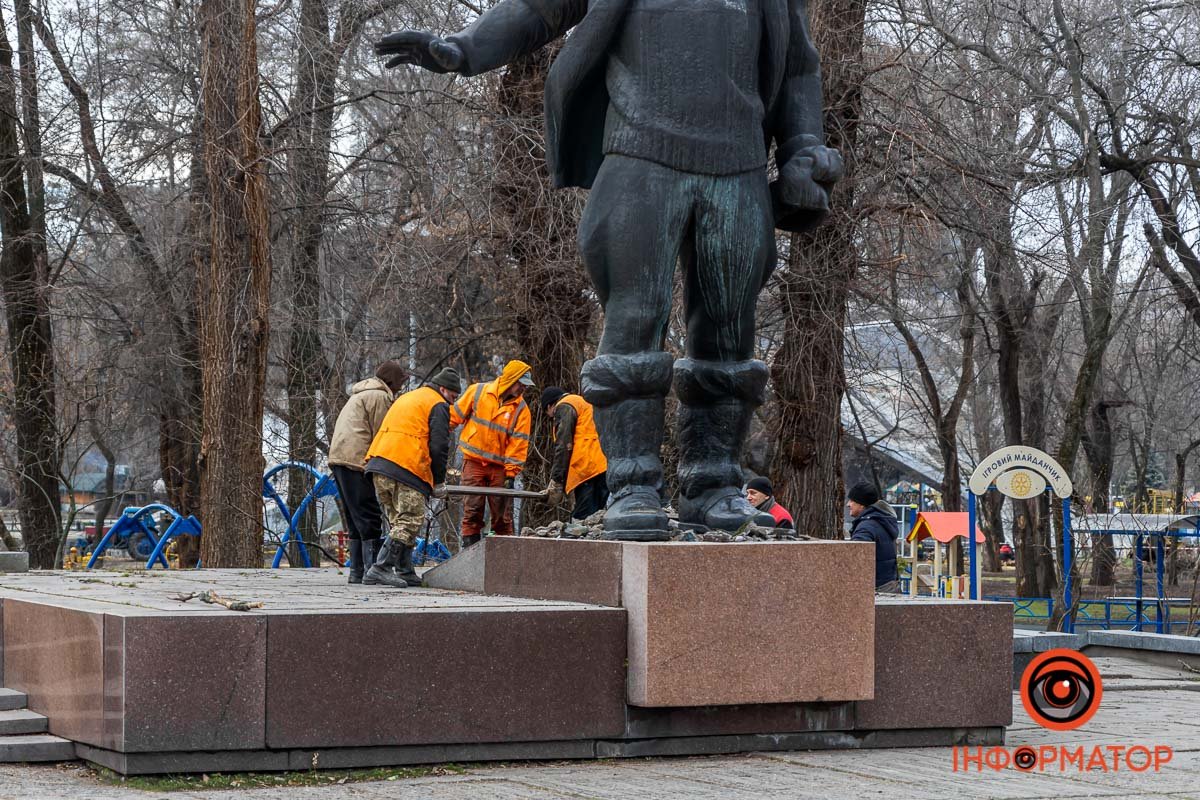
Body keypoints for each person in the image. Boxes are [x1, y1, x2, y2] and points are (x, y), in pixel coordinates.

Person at [375, 0, 841, 539]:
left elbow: (800, 66)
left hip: (737, 168)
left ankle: (713, 485)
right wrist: (466, 48)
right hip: (640, 157)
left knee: (730, 333)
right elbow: (537, 8)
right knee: (632, 321)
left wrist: (804, 145)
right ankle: (633, 483)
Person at [361, 368, 463, 588]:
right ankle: (380, 569)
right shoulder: (437, 403)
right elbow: (439, 446)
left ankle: (405, 570)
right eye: (453, 396)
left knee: (399, 521)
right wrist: (439, 481)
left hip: (379, 462)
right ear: (443, 389)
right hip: (406, 466)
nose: (453, 403)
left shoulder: (409, 397)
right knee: (411, 519)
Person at [327, 360, 408, 583]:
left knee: (355, 518)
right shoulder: (379, 397)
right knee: (369, 515)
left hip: (340, 457)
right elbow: (384, 432)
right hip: (356, 459)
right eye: (400, 383)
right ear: (392, 381)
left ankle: (357, 572)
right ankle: (374, 572)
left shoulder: (360, 394)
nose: (400, 388)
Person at [451, 360, 534, 547]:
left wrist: (511, 474)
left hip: (500, 469)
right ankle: (469, 554)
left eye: (525, 385)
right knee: (472, 511)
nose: (523, 388)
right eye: (521, 383)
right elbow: (453, 416)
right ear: (511, 379)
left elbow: (518, 444)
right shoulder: (477, 392)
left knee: (502, 518)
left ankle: (503, 558)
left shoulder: (521, 410)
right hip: (473, 463)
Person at [541, 386, 609, 520]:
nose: (552, 418)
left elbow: (563, 445)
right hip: (602, 463)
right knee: (595, 514)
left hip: (586, 467)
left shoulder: (564, 405)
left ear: (550, 406)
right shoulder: (582, 402)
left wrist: (557, 480)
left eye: (548, 414)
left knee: (582, 516)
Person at [846, 481, 899, 591]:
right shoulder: (882, 520)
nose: (848, 504)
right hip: (889, 584)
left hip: (876, 590)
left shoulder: (865, 528)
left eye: (851, 501)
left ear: (861, 504)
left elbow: (855, 559)